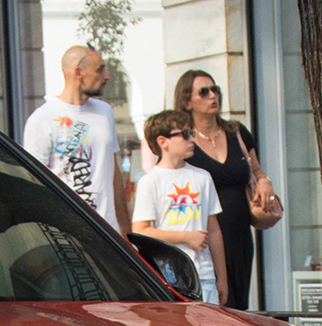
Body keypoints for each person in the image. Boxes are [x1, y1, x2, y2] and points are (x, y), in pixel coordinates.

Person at [168, 69, 279, 309]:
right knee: (213, 304)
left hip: (239, 232)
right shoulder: (185, 142)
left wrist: (263, 180)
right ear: (187, 101)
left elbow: (257, 170)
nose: (212, 96)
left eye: (215, 90)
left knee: (239, 306)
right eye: (204, 92)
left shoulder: (235, 132)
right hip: (205, 235)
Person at [23, 45, 123, 231]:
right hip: (68, 232)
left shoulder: (104, 111)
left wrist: (125, 230)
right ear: (78, 72)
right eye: (99, 70)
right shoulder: (43, 119)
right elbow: (34, 185)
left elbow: (114, 172)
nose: (107, 76)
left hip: (109, 233)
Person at [131, 109, 224, 304]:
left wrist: (221, 277)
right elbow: (140, 230)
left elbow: (214, 230)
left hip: (203, 274)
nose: (191, 139)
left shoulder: (202, 177)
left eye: (191, 133)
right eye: (184, 134)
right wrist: (186, 237)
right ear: (163, 142)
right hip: (168, 277)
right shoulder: (150, 181)